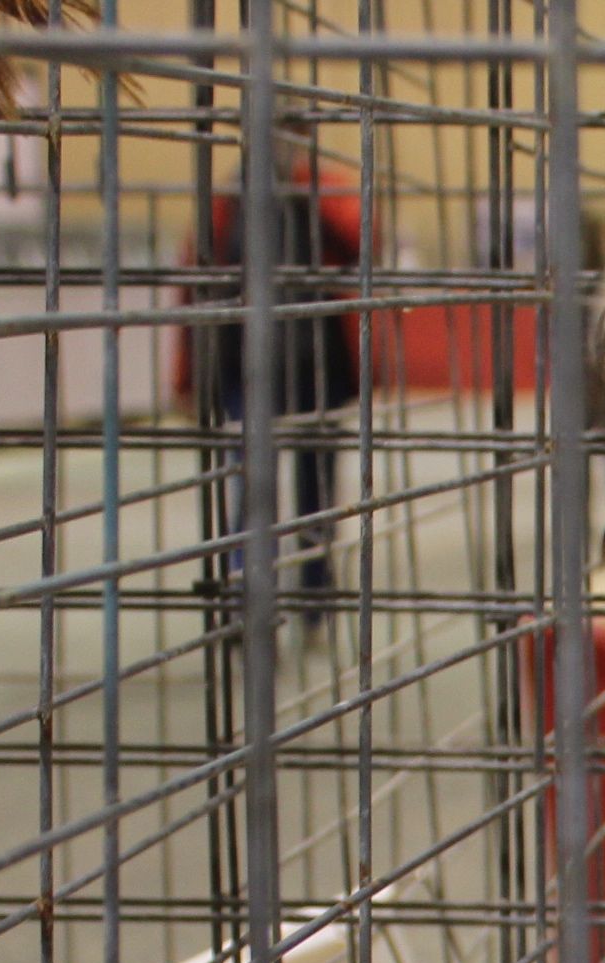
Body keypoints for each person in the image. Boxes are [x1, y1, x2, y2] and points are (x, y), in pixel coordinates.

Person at [185, 118, 365, 614]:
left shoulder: (322, 190)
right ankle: (248, 596)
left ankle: (314, 594)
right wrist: (189, 377)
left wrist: (307, 190)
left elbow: (361, 241)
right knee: (251, 488)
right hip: (246, 365)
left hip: (317, 367)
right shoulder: (228, 198)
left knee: (317, 489)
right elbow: (196, 283)